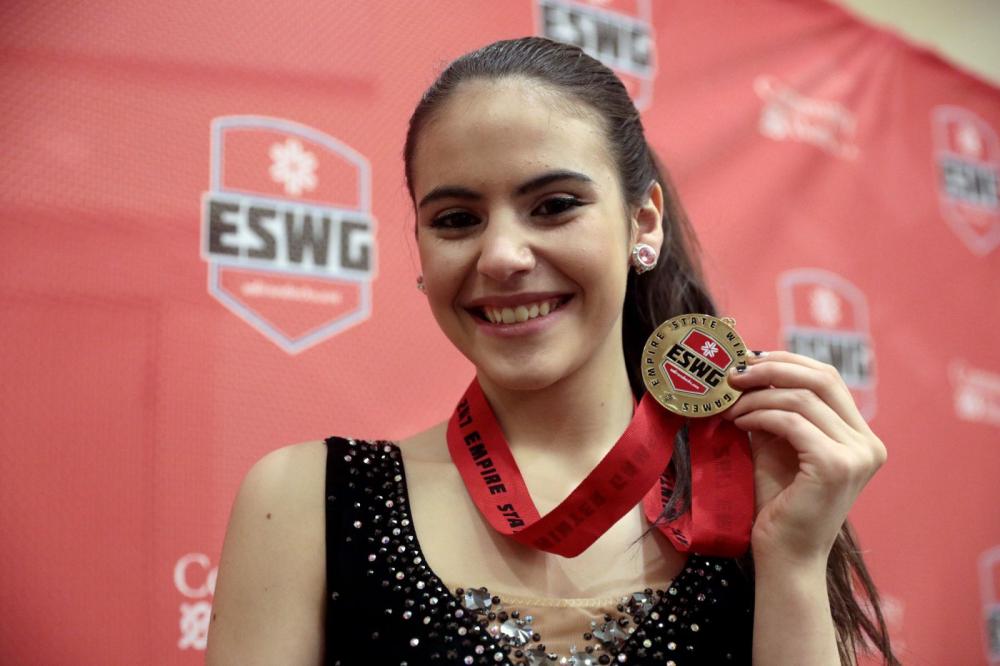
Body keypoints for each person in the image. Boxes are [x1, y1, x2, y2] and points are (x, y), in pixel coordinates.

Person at [206, 37, 899, 665]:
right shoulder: (307, 500)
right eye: (456, 220)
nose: (503, 255)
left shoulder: (758, 496)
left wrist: (795, 560)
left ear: (642, 223)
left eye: (555, 204)